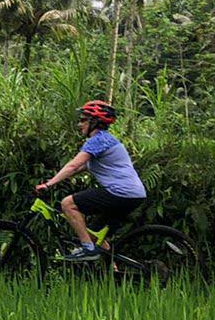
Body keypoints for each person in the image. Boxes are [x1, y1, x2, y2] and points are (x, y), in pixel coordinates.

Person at [35, 99, 147, 263]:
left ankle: (87, 250)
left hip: (120, 192)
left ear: (94, 122)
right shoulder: (107, 140)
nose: (79, 124)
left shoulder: (97, 140)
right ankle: (113, 272)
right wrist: (57, 179)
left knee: (68, 204)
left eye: (83, 120)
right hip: (134, 195)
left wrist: (48, 184)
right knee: (94, 236)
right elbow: (81, 168)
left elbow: (73, 165)